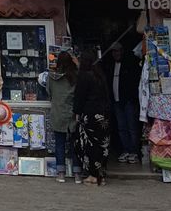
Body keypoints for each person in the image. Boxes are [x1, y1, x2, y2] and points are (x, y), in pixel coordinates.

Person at [39, 51, 82, 184]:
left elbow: (48, 92)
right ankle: (77, 174)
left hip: (57, 112)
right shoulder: (75, 77)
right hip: (72, 113)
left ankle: (61, 173)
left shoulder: (52, 77)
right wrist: (78, 64)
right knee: (75, 144)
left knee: (60, 144)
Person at [73, 49, 110, 186]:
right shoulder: (100, 75)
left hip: (90, 114)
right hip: (103, 114)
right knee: (102, 145)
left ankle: (93, 175)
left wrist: (76, 112)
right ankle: (101, 174)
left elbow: (79, 97)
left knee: (89, 145)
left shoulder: (84, 76)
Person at [103, 40, 141, 164]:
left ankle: (134, 151)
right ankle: (126, 149)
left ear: (122, 51)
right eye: (113, 51)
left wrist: (131, 98)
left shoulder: (129, 65)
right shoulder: (111, 66)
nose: (116, 53)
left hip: (128, 101)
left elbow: (133, 83)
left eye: (117, 51)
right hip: (116, 101)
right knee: (121, 127)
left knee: (132, 127)